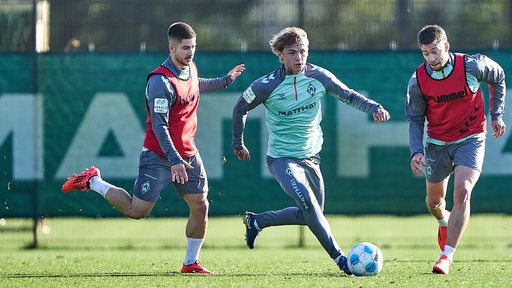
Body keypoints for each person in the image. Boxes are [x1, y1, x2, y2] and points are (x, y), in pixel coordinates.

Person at [61, 22, 245, 275]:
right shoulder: (160, 82)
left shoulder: (189, 67)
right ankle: (93, 181)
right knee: (137, 211)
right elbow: (160, 127)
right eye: (184, 48)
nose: (190, 52)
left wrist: (225, 80)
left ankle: (190, 263)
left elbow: (195, 85)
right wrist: (174, 159)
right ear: (171, 48)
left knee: (200, 205)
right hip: (160, 156)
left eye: (193, 47)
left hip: (188, 154)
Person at [231, 27, 390, 275]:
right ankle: (341, 259)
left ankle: (257, 221)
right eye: (292, 52)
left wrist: (374, 107)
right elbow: (239, 108)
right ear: (280, 55)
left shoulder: (319, 77)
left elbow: (347, 95)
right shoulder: (265, 85)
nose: (298, 57)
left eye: (302, 51)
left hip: (312, 157)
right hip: (282, 158)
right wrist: (237, 143)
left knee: (310, 215)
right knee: (309, 205)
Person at [406, 24, 506, 275]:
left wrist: (496, 114)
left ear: (446, 46)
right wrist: (416, 151)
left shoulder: (471, 66)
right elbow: (415, 119)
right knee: (434, 202)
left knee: (462, 191)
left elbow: (498, 76)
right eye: (425, 53)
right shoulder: (418, 79)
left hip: (471, 138)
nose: (431, 58)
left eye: (435, 51)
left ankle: (446, 257)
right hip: (437, 143)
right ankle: (443, 221)